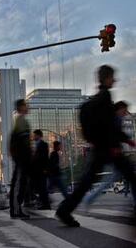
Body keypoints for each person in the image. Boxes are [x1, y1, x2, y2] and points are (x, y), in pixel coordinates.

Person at [56, 65, 136, 227]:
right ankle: (64, 211)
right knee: (131, 176)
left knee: (86, 182)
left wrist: (125, 140)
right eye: (112, 77)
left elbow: (108, 124)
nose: (115, 80)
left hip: (99, 148)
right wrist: (120, 142)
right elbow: (109, 126)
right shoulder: (105, 97)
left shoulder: (99, 98)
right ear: (107, 78)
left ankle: (64, 210)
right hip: (109, 148)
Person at [83, 101, 136, 207]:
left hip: (113, 153)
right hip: (113, 153)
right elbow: (112, 134)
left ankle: (90, 198)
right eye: (124, 111)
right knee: (131, 176)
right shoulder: (113, 119)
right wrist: (118, 146)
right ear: (119, 109)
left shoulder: (116, 118)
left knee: (113, 179)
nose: (125, 113)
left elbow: (117, 134)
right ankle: (89, 198)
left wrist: (128, 142)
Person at [9, 99, 32, 219]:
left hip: (22, 159)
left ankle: (17, 208)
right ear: (21, 107)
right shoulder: (20, 120)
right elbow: (21, 142)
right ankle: (16, 210)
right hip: (21, 159)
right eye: (26, 105)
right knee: (18, 184)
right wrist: (22, 157)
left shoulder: (21, 120)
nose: (28, 107)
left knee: (21, 183)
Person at [31, 129, 51, 210]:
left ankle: (46, 205)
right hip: (37, 171)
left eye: (35, 135)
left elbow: (45, 157)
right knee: (39, 187)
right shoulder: (36, 145)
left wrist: (45, 168)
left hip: (42, 170)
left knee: (42, 187)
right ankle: (43, 203)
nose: (33, 137)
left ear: (39, 135)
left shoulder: (44, 144)